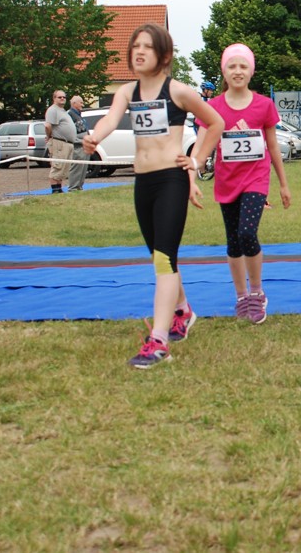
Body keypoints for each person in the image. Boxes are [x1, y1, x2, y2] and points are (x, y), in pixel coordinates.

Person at [83, 23, 224, 368]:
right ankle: (183, 310)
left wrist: (195, 162)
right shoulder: (127, 91)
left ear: (164, 55)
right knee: (160, 256)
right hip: (143, 182)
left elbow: (216, 123)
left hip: (171, 181)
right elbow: (110, 120)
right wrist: (94, 137)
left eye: (147, 46)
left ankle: (158, 341)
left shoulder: (178, 91)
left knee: (163, 258)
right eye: (135, 46)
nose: (139, 52)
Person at [193, 42, 291, 326]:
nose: (238, 71)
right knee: (233, 242)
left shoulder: (264, 105)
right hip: (227, 181)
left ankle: (257, 292)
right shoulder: (212, 107)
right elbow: (200, 147)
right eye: (232, 66)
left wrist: (283, 184)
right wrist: (190, 175)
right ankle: (241, 296)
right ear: (224, 72)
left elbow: (273, 146)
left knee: (247, 233)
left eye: (243, 66)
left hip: (256, 179)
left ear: (251, 71)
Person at [44, 88, 76, 194]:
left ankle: (59, 189)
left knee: (64, 168)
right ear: (54, 98)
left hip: (67, 143)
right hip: (59, 143)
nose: (62, 99)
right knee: (57, 166)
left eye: (64, 97)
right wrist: (49, 136)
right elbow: (48, 125)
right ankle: (55, 190)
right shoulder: (53, 110)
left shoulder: (62, 110)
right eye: (59, 97)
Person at [67, 94, 89, 191]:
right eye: (81, 103)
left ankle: (79, 186)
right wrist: (79, 141)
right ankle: (73, 188)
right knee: (77, 168)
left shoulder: (79, 115)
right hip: (77, 146)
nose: (82, 105)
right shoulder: (69, 115)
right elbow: (69, 132)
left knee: (83, 168)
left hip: (84, 145)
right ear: (74, 103)